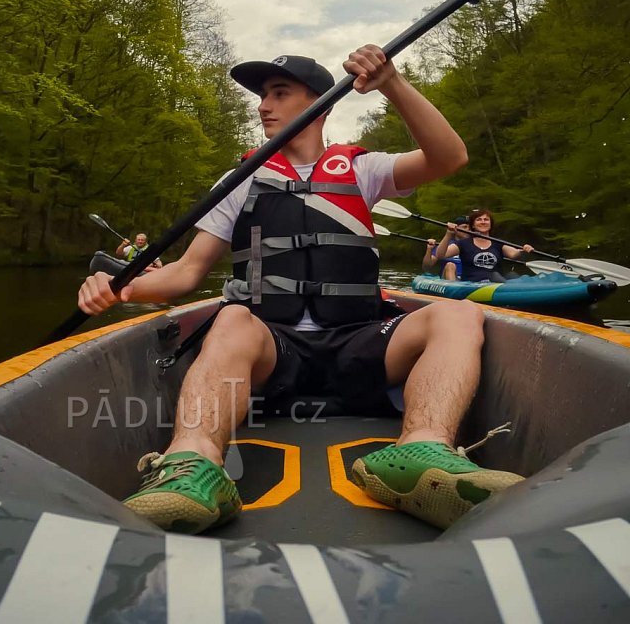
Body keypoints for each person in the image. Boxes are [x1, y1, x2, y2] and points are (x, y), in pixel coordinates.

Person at [78, 46, 523, 534]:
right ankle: (192, 467)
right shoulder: (239, 179)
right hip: (276, 347)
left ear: (322, 103)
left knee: (458, 314)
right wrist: (119, 290)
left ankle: (422, 454)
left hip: (361, 340)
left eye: (279, 93)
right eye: (262, 95)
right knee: (230, 317)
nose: (263, 105)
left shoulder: (362, 169)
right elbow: (186, 273)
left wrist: (391, 83)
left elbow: (449, 155)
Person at [435, 209, 533, 283]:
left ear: (490, 224)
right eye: (479, 219)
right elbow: (440, 255)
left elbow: (514, 254)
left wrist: (524, 250)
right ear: (473, 225)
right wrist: (449, 234)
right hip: (471, 285)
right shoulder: (463, 243)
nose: (483, 222)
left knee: (512, 275)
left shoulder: (497, 243)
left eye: (486, 219)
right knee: (494, 275)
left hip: (495, 282)